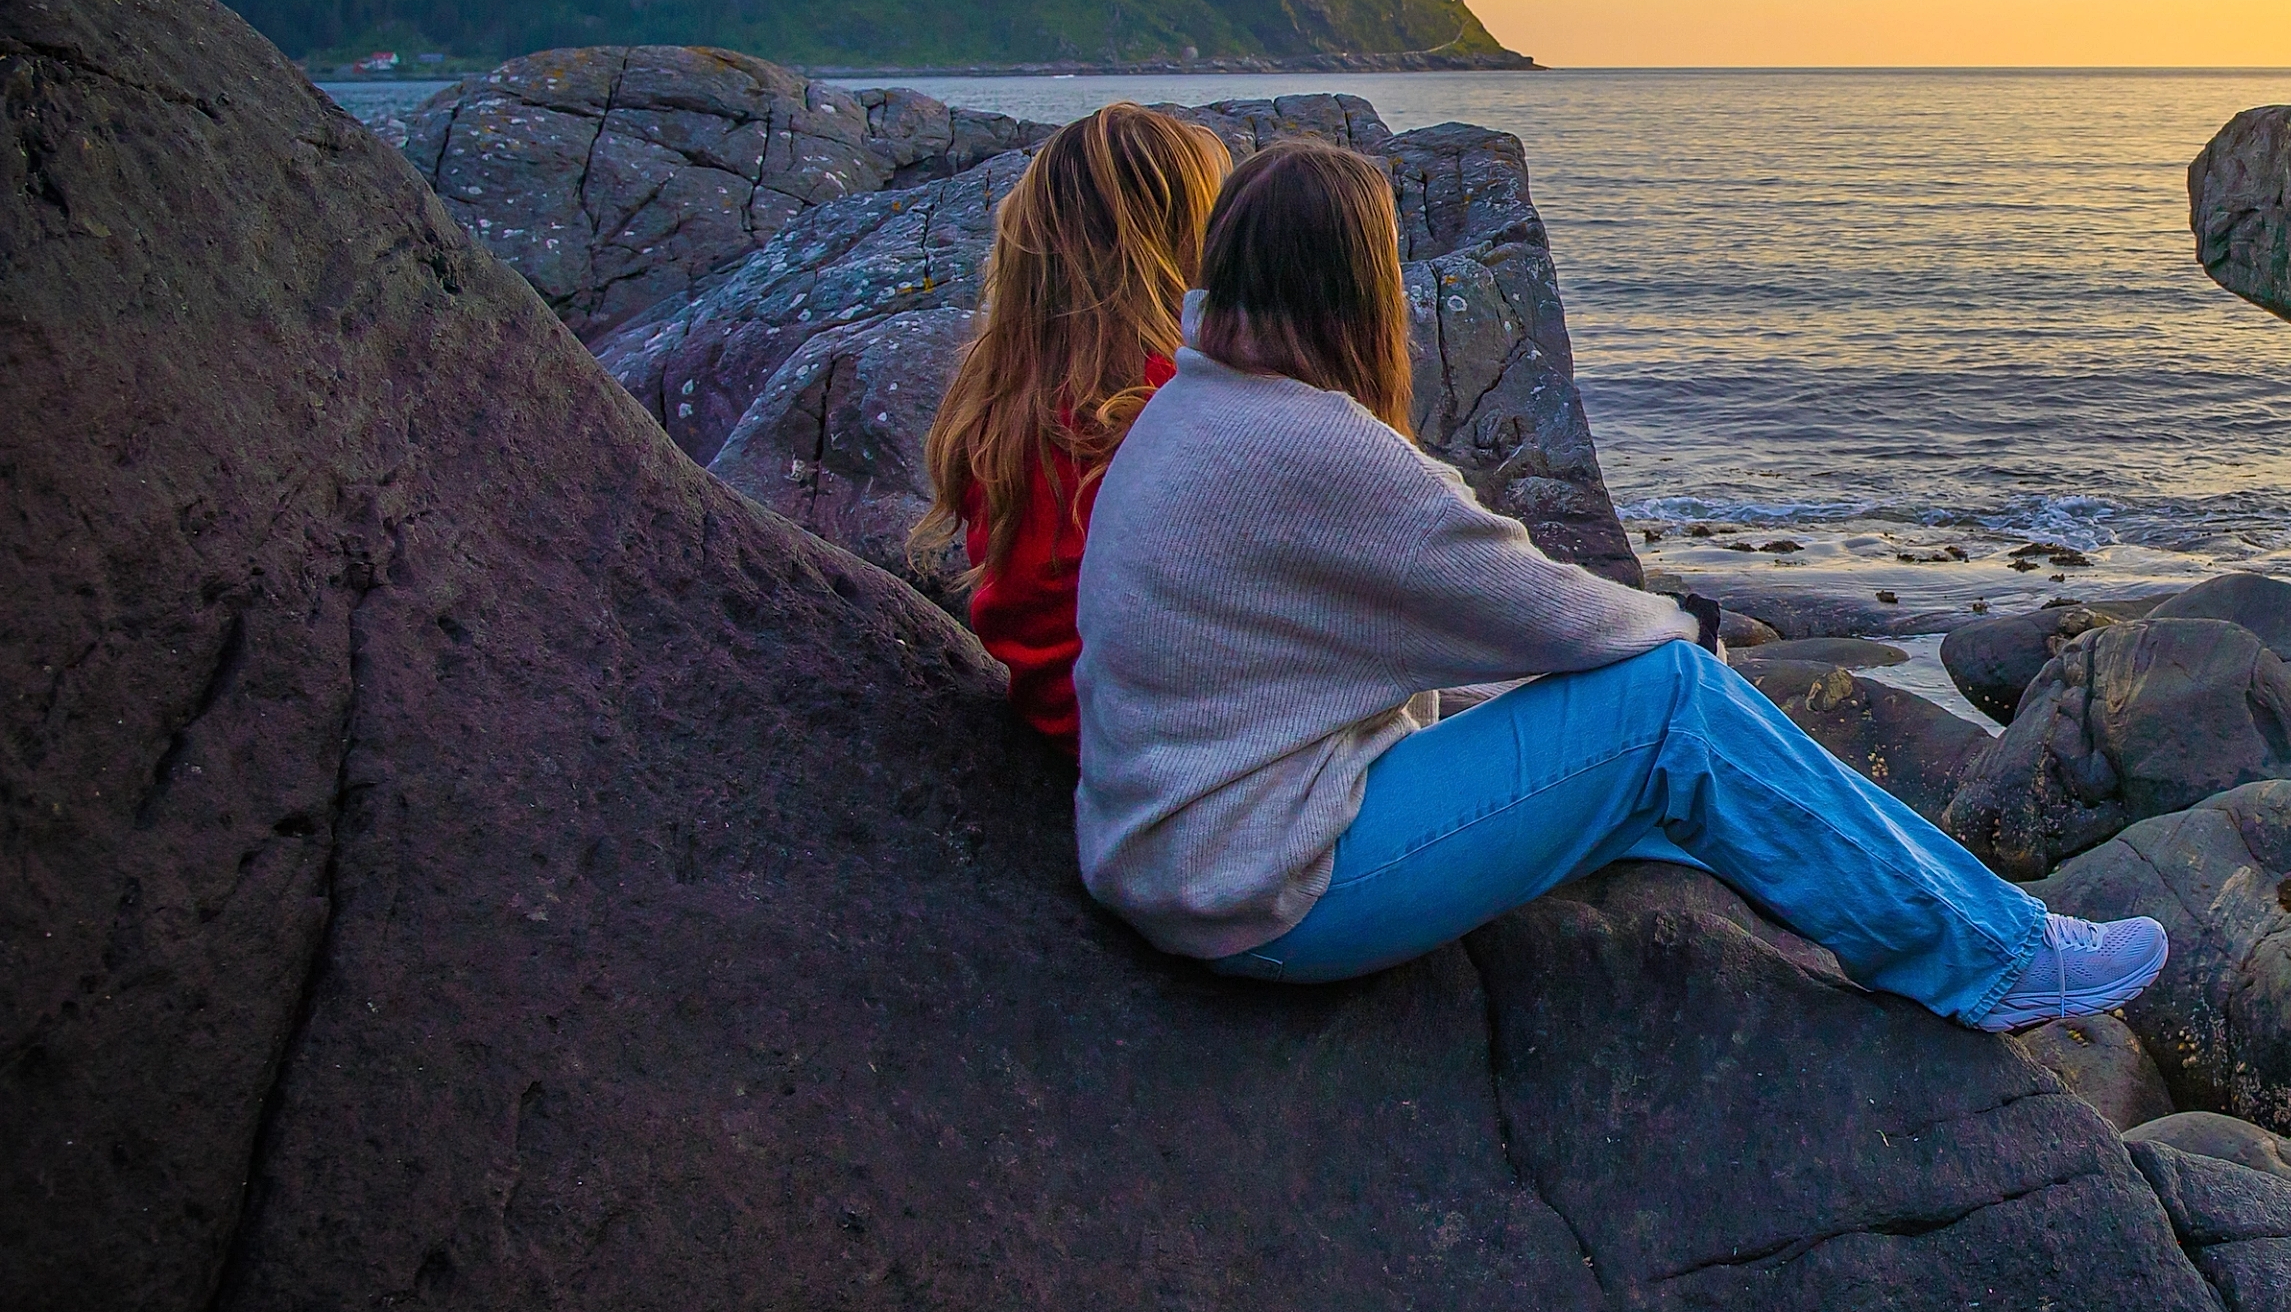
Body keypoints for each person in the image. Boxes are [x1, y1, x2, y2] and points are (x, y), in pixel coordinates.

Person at [1073, 140, 2166, 1029]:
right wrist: (1681, 623)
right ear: (1357, 285)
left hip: (1183, 861)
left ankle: (1915, 909)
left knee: (1645, 756)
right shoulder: (1302, 443)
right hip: (1266, 891)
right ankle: (1997, 957)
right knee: (1671, 701)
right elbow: (1525, 600)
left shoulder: (1192, 411)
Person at [915, 102, 1235, 748]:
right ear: (1183, 236)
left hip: (1065, 720)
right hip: (1177, 750)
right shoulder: (1169, 400)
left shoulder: (1005, 393)